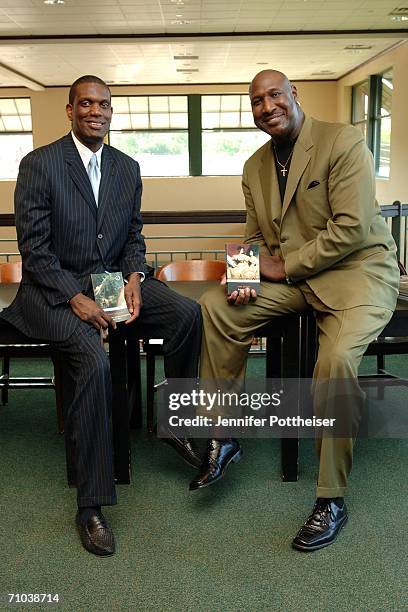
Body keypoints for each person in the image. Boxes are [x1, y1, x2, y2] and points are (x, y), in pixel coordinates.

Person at [192, 69, 400, 551]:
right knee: (216, 308)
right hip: (295, 277)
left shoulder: (343, 142)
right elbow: (252, 237)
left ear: (293, 96)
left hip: (358, 272)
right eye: (257, 101)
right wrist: (244, 276)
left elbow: (350, 229)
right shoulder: (253, 167)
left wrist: (280, 266)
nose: (267, 107)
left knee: (335, 363)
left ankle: (331, 498)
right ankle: (224, 436)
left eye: (274, 96)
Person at [0, 75, 202, 556]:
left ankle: (178, 425)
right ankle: (90, 505)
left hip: (115, 285)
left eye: (104, 105)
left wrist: (135, 277)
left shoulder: (127, 168)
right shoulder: (39, 164)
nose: (97, 111)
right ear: (69, 110)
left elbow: (133, 236)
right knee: (93, 359)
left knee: (187, 314)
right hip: (51, 294)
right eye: (86, 104)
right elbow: (35, 249)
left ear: (112, 112)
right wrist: (74, 296)